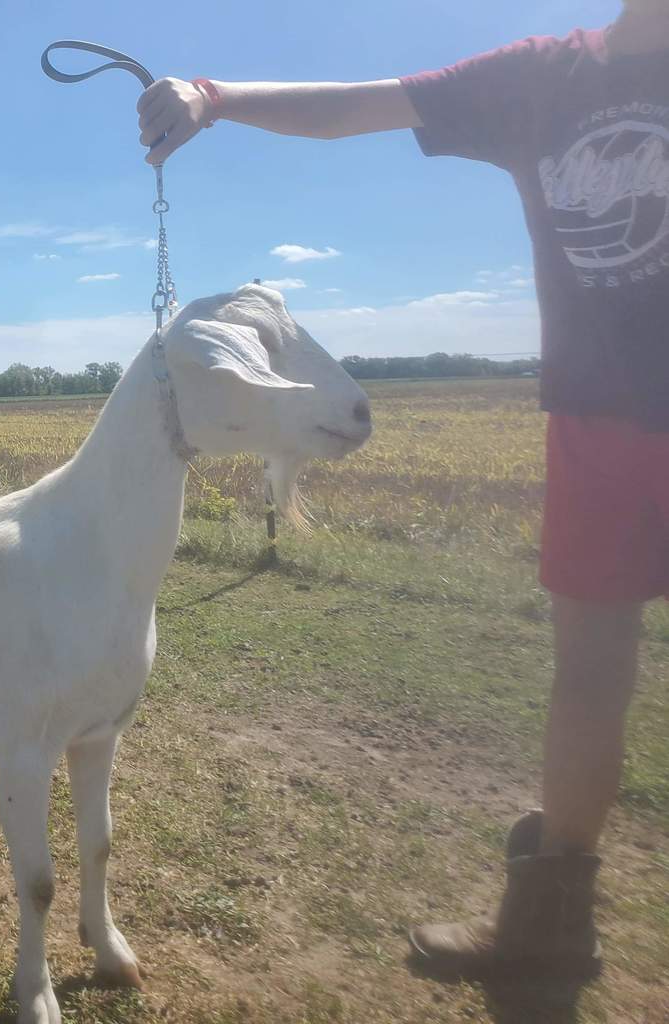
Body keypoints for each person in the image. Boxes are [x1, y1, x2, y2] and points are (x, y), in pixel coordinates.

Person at [137, 1, 669, 977]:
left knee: (592, 673)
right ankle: (551, 913)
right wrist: (213, 97)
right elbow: (355, 106)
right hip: (603, 417)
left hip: (604, 415)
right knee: (592, 673)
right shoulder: (546, 76)